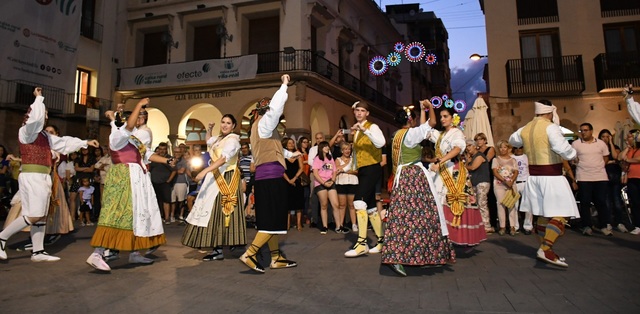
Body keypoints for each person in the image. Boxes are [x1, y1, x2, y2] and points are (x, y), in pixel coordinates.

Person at [1, 87, 99, 262]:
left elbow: (63, 143)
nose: (45, 116)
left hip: (42, 176)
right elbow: (36, 120)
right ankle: (1, 238)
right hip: (33, 176)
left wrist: (85, 142)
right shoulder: (27, 132)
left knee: (40, 214)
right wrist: (39, 99)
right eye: (44, 114)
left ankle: (38, 251)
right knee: (34, 214)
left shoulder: (44, 136)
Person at [86, 98, 171, 272]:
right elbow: (129, 128)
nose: (139, 118)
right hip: (124, 177)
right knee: (116, 212)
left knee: (134, 215)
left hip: (136, 177)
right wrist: (138, 105)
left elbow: (146, 153)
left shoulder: (132, 139)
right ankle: (97, 253)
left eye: (142, 115)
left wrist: (167, 160)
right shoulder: (118, 135)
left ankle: (134, 252)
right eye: (137, 115)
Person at [382, 101, 455, 276]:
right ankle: (415, 255)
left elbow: (422, 128)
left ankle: (411, 256)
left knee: (402, 217)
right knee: (423, 215)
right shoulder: (412, 133)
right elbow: (430, 124)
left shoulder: (397, 135)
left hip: (402, 177)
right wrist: (430, 108)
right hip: (413, 177)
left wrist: (422, 110)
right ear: (410, 120)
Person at [509, 99, 579, 268]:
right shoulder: (550, 127)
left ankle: (546, 249)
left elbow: (513, 141)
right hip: (552, 177)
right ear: (550, 111)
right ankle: (546, 248)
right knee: (561, 213)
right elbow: (564, 150)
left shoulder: (525, 128)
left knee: (542, 214)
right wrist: (573, 152)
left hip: (534, 178)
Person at [240, 74, 299, 273]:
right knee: (273, 218)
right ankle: (250, 253)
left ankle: (276, 257)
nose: (274, 117)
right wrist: (283, 86)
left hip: (265, 177)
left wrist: (290, 154)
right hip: (272, 177)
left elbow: (275, 148)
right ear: (260, 113)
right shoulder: (265, 124)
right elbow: (275, 110)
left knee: (269, 219)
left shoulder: (261, 131)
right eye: (265, 111)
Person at [181, 115, 247, 261]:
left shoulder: (232, 140)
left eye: (228, 123)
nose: (224, 125)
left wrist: (205, 171)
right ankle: (223, 246)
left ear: (233, 126)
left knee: (218, 211)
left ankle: (221, 248)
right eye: (223, 122)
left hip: (226, 178)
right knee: (211, 210)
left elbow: (223, 159)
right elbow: (208, 141)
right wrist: (209, 129)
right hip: (214, 177)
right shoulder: (219, 139)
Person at [427, 107, 486, 249]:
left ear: (453, 118)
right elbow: (426, 130)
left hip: (453, 171)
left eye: (445, 116)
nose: (442, 119)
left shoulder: (457, 133)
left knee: (453, 202)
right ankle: (443, 237)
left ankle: (455, 236)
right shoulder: (441, 135)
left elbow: (457, 149)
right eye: (441, 116)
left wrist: (439, 161)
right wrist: (427, 109)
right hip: (441, 171)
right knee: (439, 202)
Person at [344, 101, 386, 258]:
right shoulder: (356, 132)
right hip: (363, 170)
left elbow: (381, 143)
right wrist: (347, 168)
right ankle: (381, 241)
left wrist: (365, 130)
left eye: (363, 110)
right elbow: (357, 155)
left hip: (372, 168)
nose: (360, 113)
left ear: (367, 113)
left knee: (358, 202)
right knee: (370, 207)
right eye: (357, 110)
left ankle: (361, 244)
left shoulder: (372, 127)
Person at [572, 123, 612, 236]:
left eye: (585, 130)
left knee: (601, 201)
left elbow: (606, 156)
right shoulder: (575, 144)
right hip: (583, 176)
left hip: (600, 176)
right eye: (581, 131)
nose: (583, 132)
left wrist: (600, 166)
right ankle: (587, 225)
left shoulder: (600, 143)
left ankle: (604, 225)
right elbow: (572, 158)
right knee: (585, 202)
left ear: (591, 131)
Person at [313, 141, 345, 234]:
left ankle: (339, 226)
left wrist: (333, 180)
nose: (327, 148)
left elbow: (334, 171)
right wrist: (323, 183)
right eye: (325, 146)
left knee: (336, 204)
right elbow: (315, 173)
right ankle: (324, 226)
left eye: (328, 146)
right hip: (320, 183)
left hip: (331, 182)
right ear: (321, 148)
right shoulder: (317, 159)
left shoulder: (330, 158)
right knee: (324, 205)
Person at [464, 140, 492, 234]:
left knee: (482, 203)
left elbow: (473, 167)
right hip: (475, 182)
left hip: (482, 182)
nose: (468, 148)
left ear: (475, 146)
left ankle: (486, 225)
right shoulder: (472, 157)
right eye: (467, 146)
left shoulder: (479, 156)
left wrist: (465, 165)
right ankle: (479, 224)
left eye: (469, 146)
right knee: (477, 204)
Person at [492, 140, 519, 236]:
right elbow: (495, 172)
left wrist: (511, 181)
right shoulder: (496, 160)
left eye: (505, 147)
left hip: (511, 185)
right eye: (501, 147)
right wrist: (505, 181)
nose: (503, 149)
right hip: (499, 184)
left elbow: (516, 171)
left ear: (508, 149)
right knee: (500, 204)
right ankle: (502, 226)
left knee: (511, 205)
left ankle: (512, 226)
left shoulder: (513, 160)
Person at [619, 129, 640, 235]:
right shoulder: (631, 149)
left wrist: (627, 160)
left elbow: (638, 159)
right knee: (635, 203)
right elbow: (620, 157)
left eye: (630, 136)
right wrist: (627, 147)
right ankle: (638, 225)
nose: (627, 138)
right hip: (632, 178)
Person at [282, 137, 304, 231]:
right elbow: (281, 169)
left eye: (292, 143)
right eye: (289, 143)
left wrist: (294, 178)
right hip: (285, 179)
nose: (291, 144)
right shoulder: (282, 155)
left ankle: (299, 223)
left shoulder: (298, 154)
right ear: (285, 145)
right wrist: (288, 180)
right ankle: (287, 224)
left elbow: (301, 168)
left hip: (296, 179)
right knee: (287, 202)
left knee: (298, 202)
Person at [335, 142, 358, 232]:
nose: (347, 151)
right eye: (345, 149)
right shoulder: (338, 159)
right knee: (342, 205)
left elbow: (356, 171)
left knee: (352, 205)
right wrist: (348, 166)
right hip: (341, 183)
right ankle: (340, 224)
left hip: (352, 183)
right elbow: (336, 169)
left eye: (348, 149)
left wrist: (344, 170)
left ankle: (354, 224)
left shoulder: (354, 159)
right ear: (342, 150)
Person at [512, 146, 533, 235]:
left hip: (526, 182)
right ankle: (515, 226)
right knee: (514, 206)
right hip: (515, 183)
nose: (518, 149)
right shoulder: (511, 157)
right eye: (516, 148)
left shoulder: (527, 157)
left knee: (528, 205)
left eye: (520, 147)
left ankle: (528, 226)